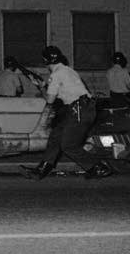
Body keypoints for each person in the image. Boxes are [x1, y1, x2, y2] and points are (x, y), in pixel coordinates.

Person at [20, 45, 110, 181]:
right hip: (81, 108)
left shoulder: (56, 75)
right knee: (55, 137)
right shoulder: (69, 71)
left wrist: (40, 87)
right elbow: (66, 91)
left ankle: (98, 167)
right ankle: (42, 169)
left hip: (78, 109)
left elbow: (50, 100)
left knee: (68, 145)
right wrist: (45, 86)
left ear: (45, 60)